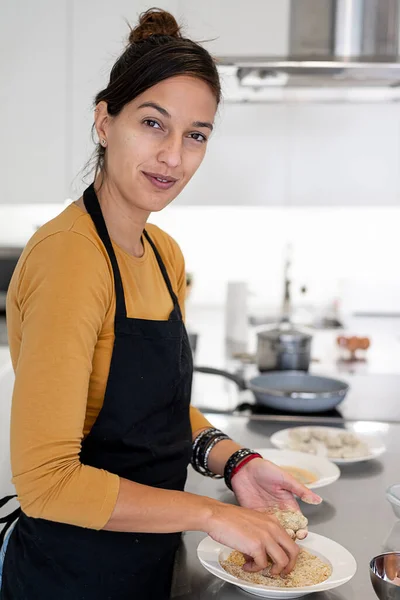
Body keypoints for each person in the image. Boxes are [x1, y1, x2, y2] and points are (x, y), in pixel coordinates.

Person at [0, 8, 321, 599]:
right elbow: (47, 483)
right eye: (154, 123)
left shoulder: (163, 251)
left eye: (196, 135)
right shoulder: (70, 258)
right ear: (104, 121)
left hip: (146, 561)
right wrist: (212, 514)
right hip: (70, 576)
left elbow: (151, 418)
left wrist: (235, 462)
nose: (174, 157)